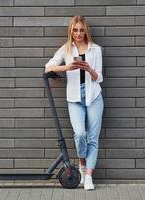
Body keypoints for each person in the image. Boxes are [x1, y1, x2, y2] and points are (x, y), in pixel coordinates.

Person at [45, 16, 104, 190]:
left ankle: (88, 176)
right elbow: (48, 66)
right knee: (79, 134)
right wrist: (66, 68)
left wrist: (89, 69)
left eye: (81, 30)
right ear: (71, 30)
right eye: (75, 30)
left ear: (86, 31)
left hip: (94, 97)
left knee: (93, 139)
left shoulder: (96, 49)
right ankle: (82, 162)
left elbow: (99, 78)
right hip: (75, 98)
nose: (78, 33)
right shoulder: (66, 49)